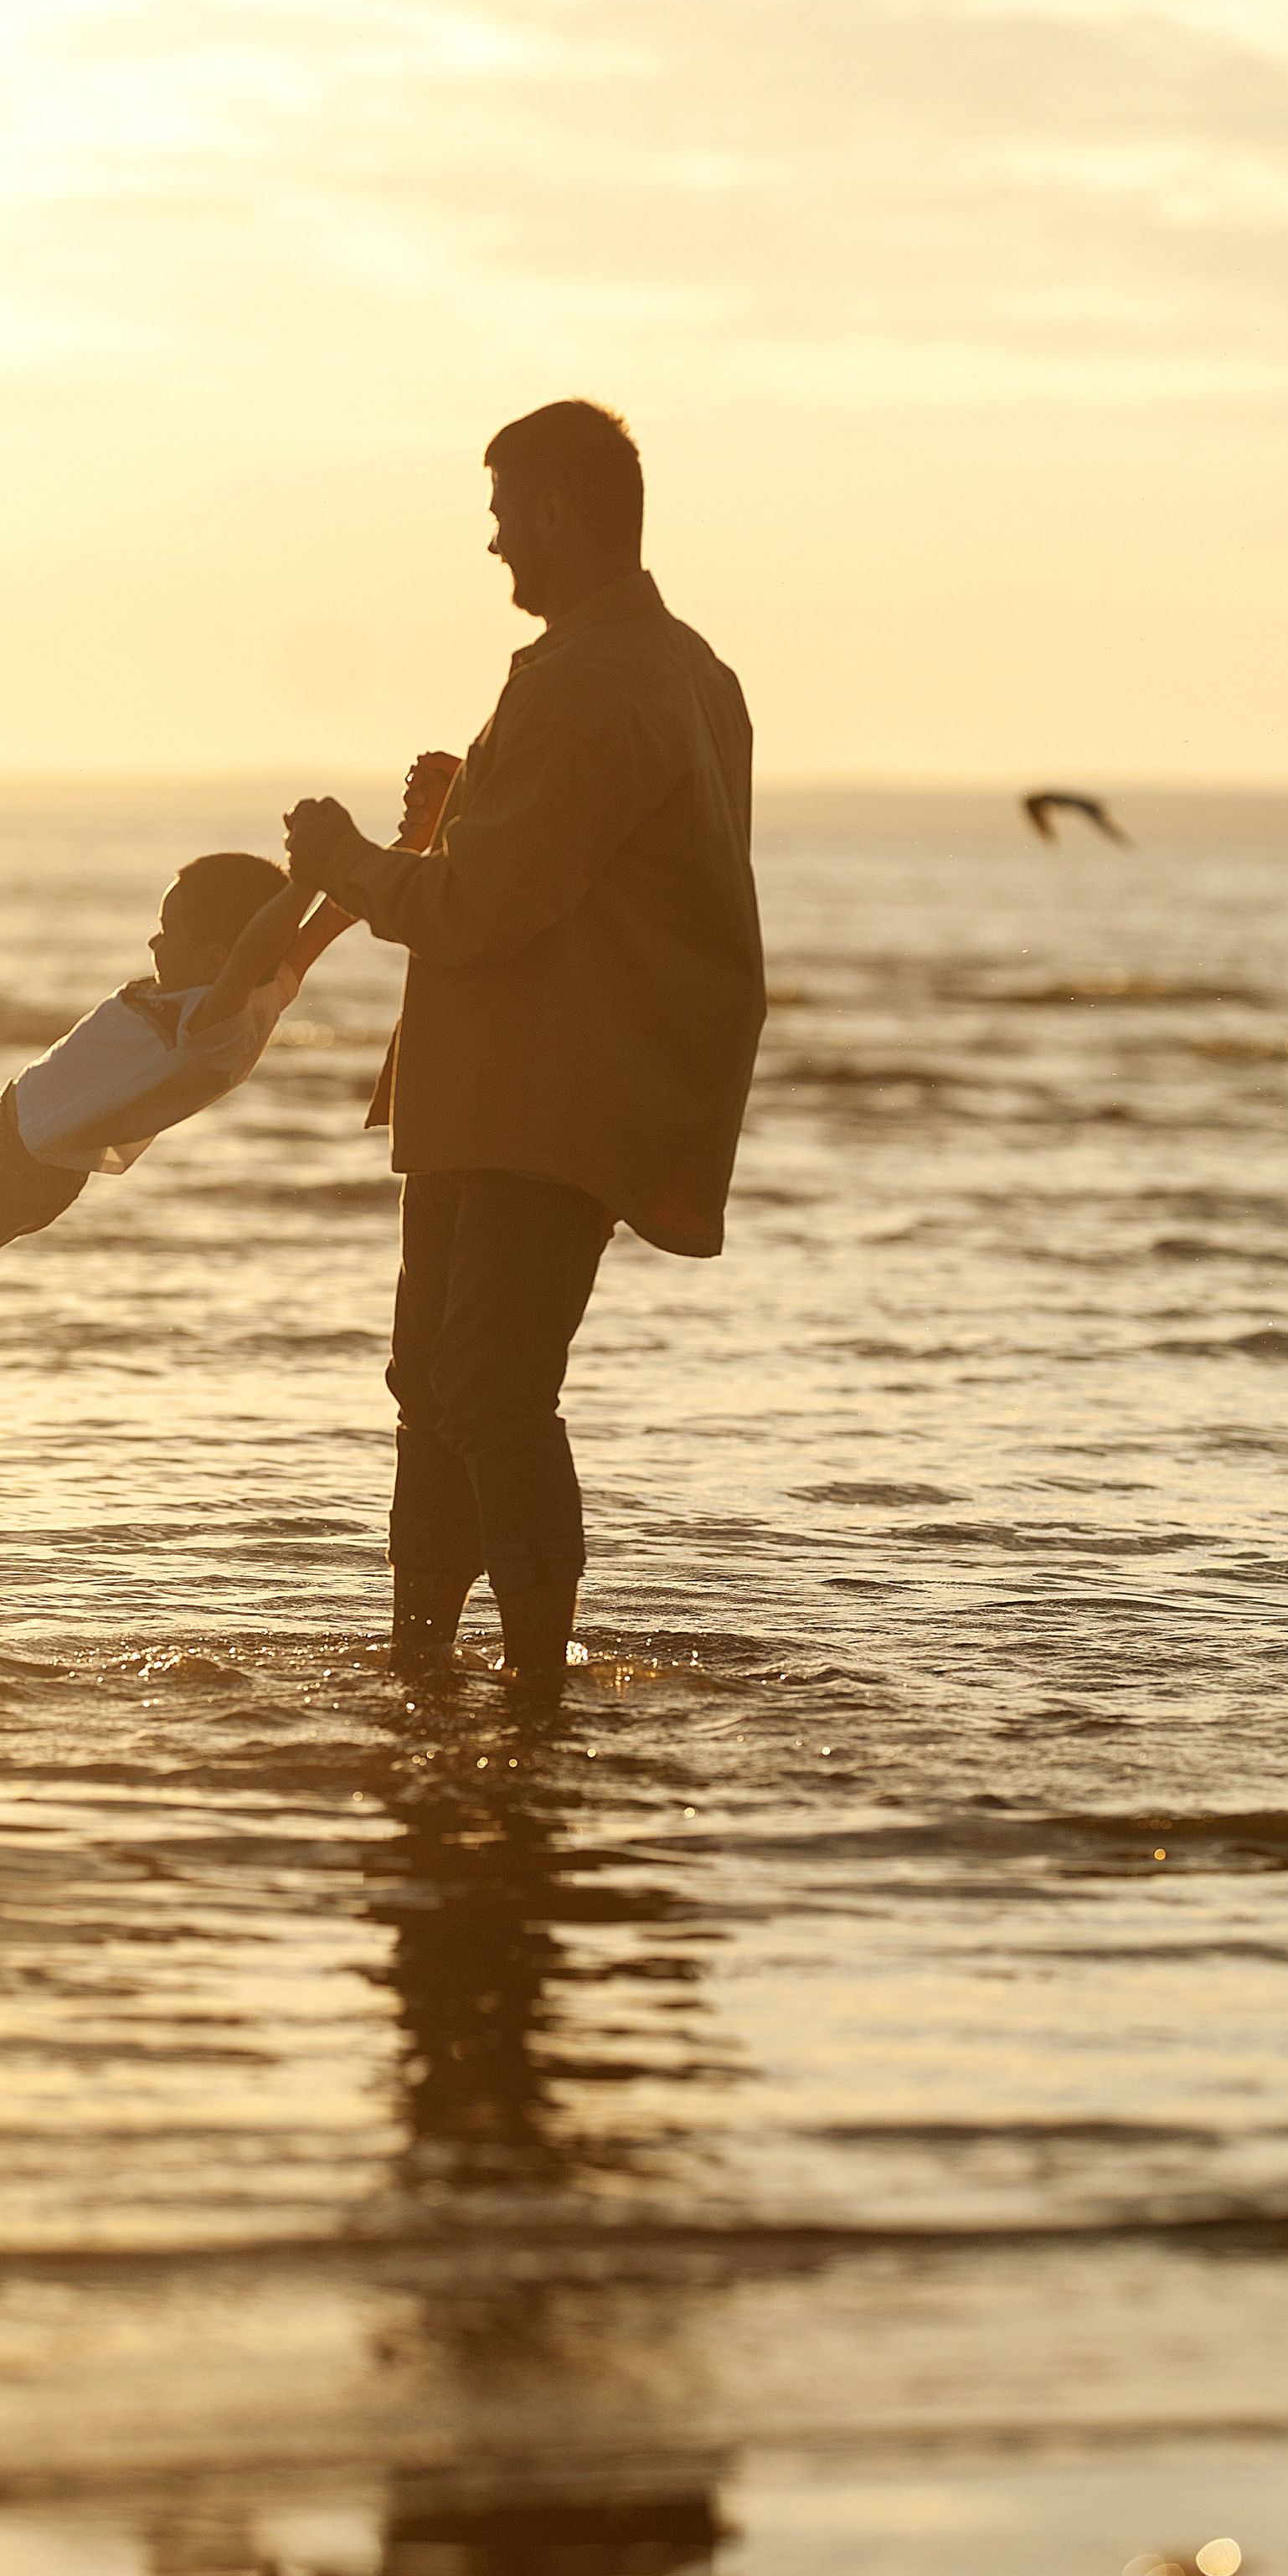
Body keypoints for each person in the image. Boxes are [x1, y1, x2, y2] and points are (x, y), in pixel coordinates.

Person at [285, 399, 765, 1685]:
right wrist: (461, 814)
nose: (494, 544)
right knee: (434, 1390)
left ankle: (534, 1693)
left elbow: (484, 910)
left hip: (539, 1101)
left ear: (556, 510)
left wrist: (352, 862)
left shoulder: (600, 683)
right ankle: (427, 1670)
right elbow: (595, 876)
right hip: (513, 1091)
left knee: (485, 1394)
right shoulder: (680, 672)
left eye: (503, 514)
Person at [0, 762, 457, 1481]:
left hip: (18, 1153)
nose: (155, 947)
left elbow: (268, 938)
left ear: (218, 959)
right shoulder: (266, 989)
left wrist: (302, 877)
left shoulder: (213, 1021)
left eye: (169, 934)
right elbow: (331, 923)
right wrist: (409, 840)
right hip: (16, 1140)